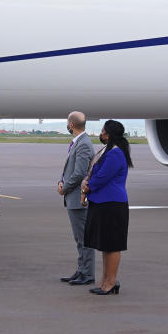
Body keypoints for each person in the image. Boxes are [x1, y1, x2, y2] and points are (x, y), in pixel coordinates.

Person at [81, 120, 132, 295]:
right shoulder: (108, 151)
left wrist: (87, 186)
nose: (100, 134)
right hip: (102, 203)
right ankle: (105, 281)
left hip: (111, 204)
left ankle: (110, 282)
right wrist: (87, 184)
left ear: (108, 134)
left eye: (102, 131)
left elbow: (102, 177)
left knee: (112, 245)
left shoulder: (114, 154)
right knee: (105, 245)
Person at [57, 111, 95, 285]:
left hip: (78, 199)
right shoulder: (78, 143)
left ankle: (87, 274)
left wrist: (64, 188)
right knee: (79, 239)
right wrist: (61, 181)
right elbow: (71, 169)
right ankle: (81, 271)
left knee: (83, 238)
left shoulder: (84, 144)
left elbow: (80, 173)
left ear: (71, 124)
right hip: (72, 198)